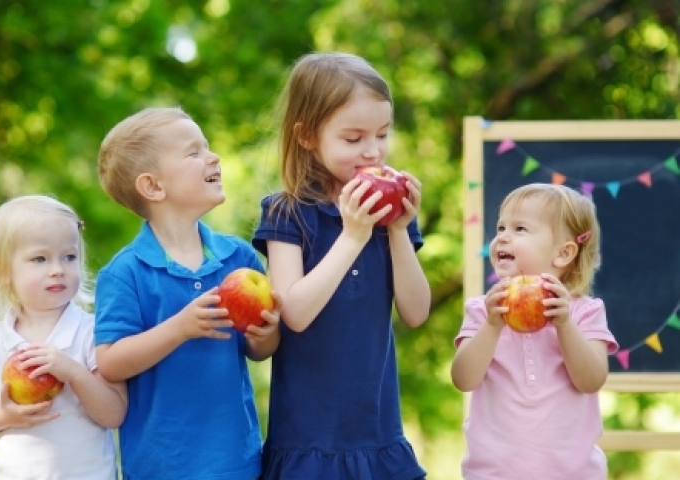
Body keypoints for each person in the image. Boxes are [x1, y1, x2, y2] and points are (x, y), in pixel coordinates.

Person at [252, 52, 431, 480]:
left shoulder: (391, 213)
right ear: (308, 136)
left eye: (383, 134)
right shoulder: (286, 213)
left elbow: (416, 311)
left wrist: (400, 230)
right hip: (309, 439)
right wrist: (353, 237)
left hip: (376, 431)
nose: (373, 151)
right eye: (353, 139)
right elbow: (294, 312)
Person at [94, 106, 281, 480]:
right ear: (153, 186)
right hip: (160, 468)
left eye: (207, 147)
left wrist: (268, 333)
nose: (212, 157)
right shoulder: (125, 273)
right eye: (193, 152)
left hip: (236, 462)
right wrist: (179, 328)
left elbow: (258, 351)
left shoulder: (239, 259)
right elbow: (111, 362)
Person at [451, 183, 619, 479]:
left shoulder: (584, 312)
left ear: (563, 254)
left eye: (520, 229)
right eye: (501, 227)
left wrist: (565, 326)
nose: (502, 237)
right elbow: (463, 379)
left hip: (573, 473)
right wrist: (491, 326)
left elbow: (591, 380)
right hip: (492, 473)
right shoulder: (483, 310)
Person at [0, 195, 128, 480]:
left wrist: (73, 371)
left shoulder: (92, 332)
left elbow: (114, 414)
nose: (58, 269)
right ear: (4, 271)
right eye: (39, 258)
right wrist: (5, 417)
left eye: (69, 257)